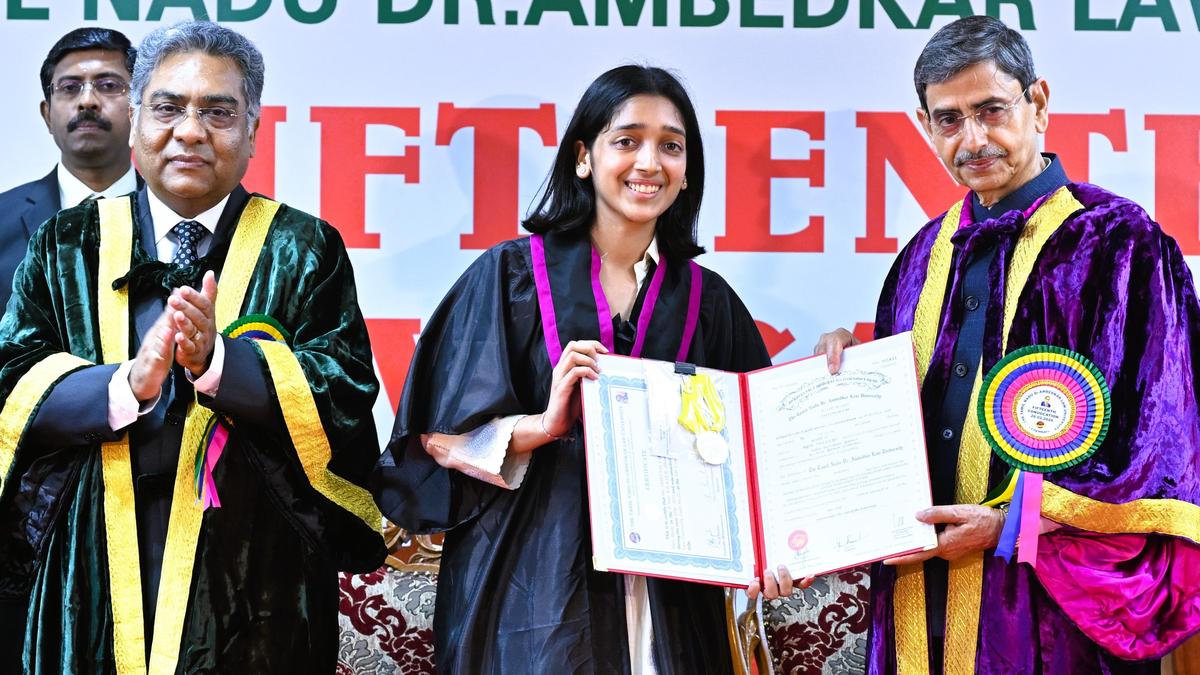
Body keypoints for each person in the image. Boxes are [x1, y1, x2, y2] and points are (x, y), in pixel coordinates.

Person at [759, 15, 1200, 675]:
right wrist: (842, 383)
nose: (973, 139)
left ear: (1038, 103)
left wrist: (1009, 525)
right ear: (925, 125)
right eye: (949, 119)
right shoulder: (919, 258)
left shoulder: (1122, 245)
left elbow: (1163, 450)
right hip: (915, 595)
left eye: (992, 110)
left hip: (1046, 610)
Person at [0, 20, 384, 673]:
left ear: (253, 132)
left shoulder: (303, 247)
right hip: (91, 564)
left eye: (218, 112)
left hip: (257, 574)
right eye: (168, 108)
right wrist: (126, 385)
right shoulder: (66, 243)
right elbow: (13, 377)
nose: (190, 131)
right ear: (134, 120)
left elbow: (343, 387)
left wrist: (219, 365)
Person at [372, 65, 770, 673]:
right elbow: (435, 439)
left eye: (671, 146)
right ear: (584, 157)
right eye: (627, 140)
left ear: (688, 170)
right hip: (531, 583)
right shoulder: (508, 278)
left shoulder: (708, 302)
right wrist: (543, 425)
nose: (649, 163)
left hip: (671, 596)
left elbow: (756, 451)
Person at [0, 27, 140, 314]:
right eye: (70, 87)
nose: (87, 100)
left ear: (139, 110)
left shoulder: (179, 218)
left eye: (109, 85)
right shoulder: (3, 219)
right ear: (47, 115)